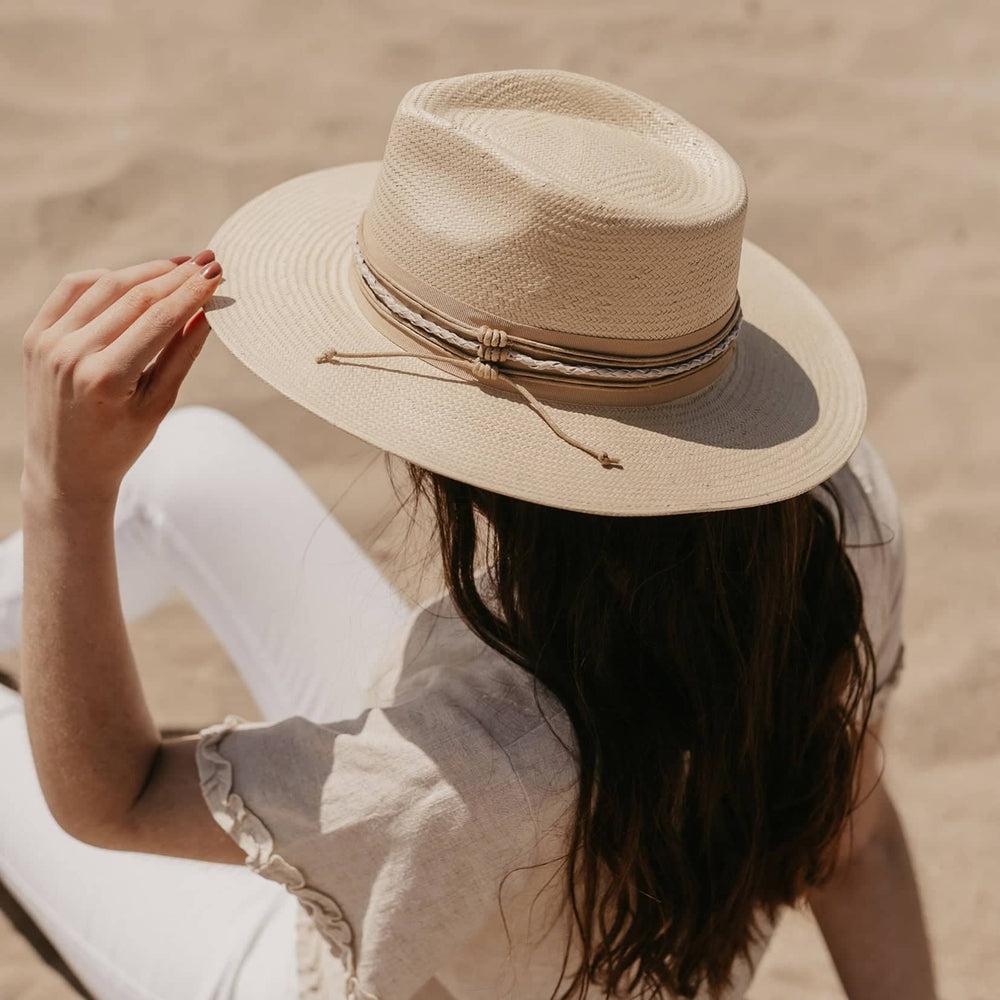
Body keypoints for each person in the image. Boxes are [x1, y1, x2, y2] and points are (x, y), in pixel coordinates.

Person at [0, 70, 935, 1000]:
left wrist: (64, 496)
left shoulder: (468, 766)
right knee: (194, 463)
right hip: (534, 883)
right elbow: (859, 843)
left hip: (332, 970)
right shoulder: (833, 522)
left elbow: (111, 798)